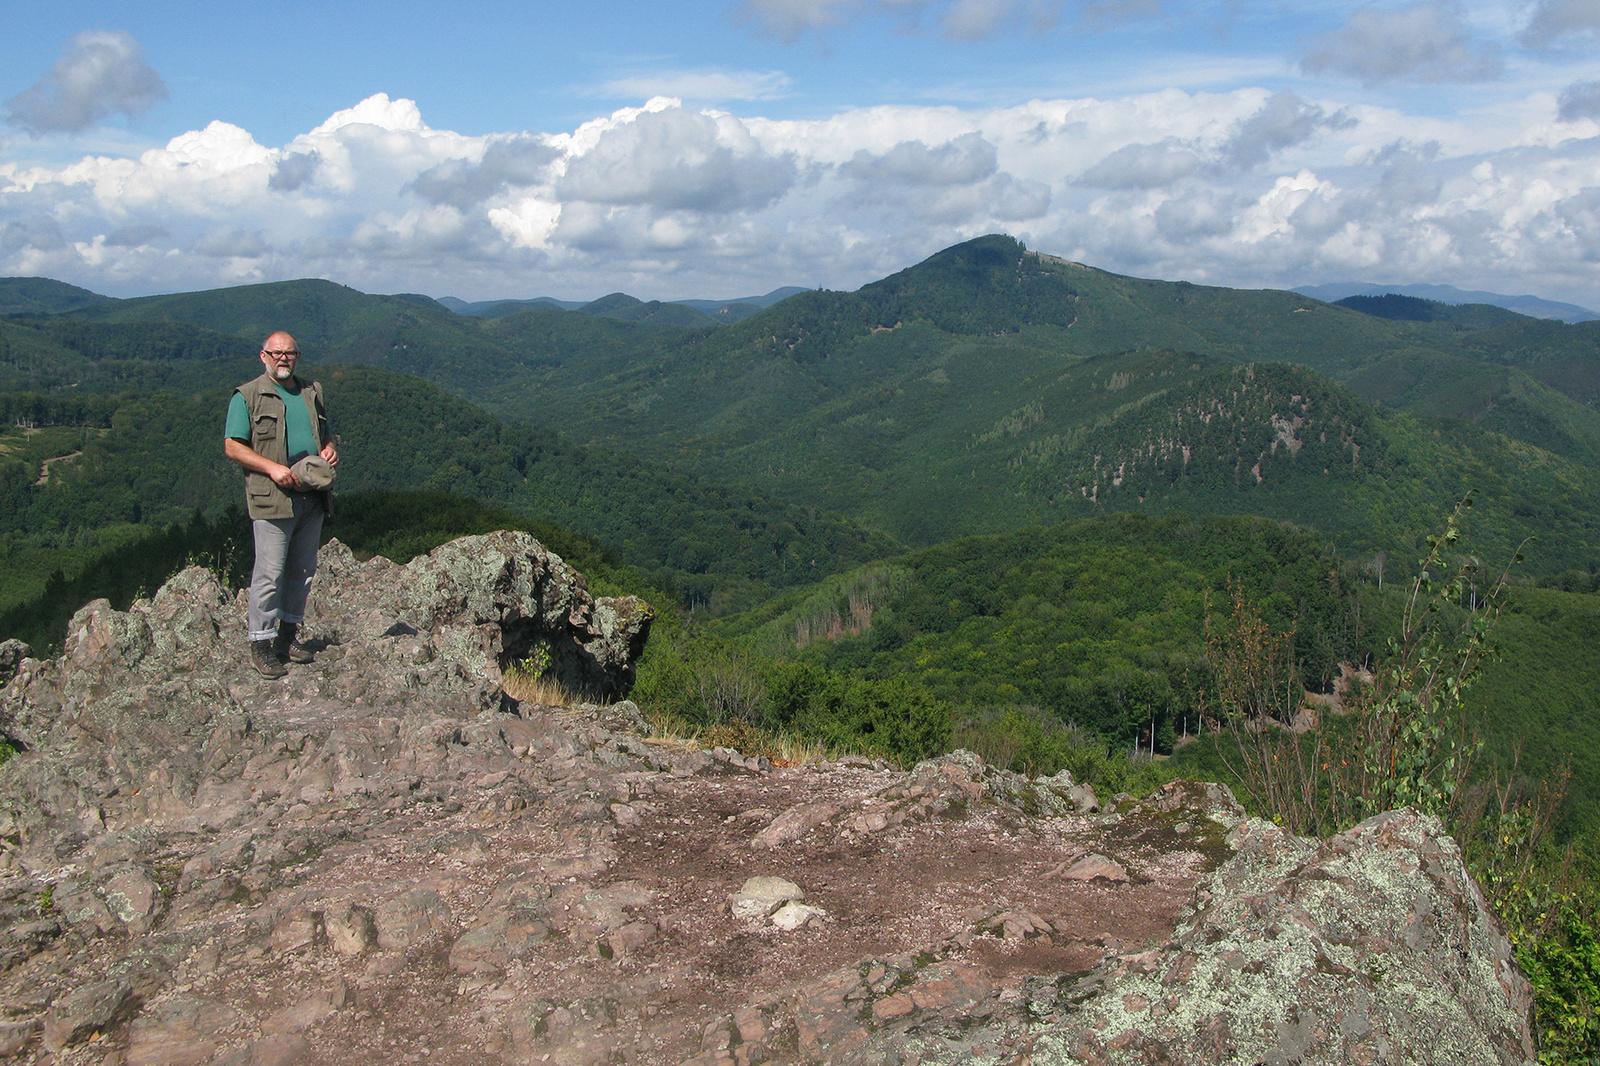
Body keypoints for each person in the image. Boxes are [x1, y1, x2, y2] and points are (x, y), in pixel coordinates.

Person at [224, 331, 339, 679]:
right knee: (270, 573)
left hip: (312, 495)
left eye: (289, 353)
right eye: (276, 354)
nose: (283, 359)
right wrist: (272, 467)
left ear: (298, 356)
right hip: (272, 498)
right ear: (263, 356)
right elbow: (232, 446)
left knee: (303, 570)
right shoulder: (247, 396)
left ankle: (287, 637)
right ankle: (261, 643)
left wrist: (330, 448)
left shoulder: (311, 392)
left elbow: (325, 433)